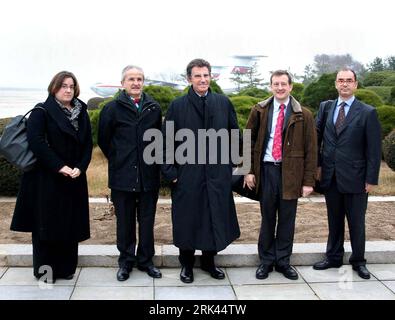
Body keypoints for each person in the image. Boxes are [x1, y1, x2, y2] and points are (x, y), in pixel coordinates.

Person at [162, 58, 240, 283]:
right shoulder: (177, 106)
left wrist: (231, 169)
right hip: (187, 174)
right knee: (188, 219)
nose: (203, 79)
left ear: (211, 77)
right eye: (198, 75)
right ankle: (186, 265)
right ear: (189, 79)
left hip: (217, 174)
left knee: (213, 217)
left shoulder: (223, 103)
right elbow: (165, 141)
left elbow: (234, 136)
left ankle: (209, 262)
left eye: (206, 75)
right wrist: (171, 173)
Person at [11, 71, 92, 283]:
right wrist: (60, 167)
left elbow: (87, 144)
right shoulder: (42, 110)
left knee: (70, 225)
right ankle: (46, 272)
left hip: (74, 178)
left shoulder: (81, 110)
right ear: (54, 88)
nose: (67, 90)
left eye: (71, 86)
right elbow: (36, 142)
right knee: (45, 228)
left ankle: (66, 269)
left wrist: (81, 167)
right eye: (63, 86)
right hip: (47, 178)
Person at [244, 70, 317, 280]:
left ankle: (283, 262)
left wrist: (308, 181)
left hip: (291, 175)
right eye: (276, 84)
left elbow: (312, 150)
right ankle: (266, 261)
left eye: (283, 84)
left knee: (287, 219)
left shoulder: (304, 114)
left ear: (290, 86)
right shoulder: (259, 110)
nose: (280, 88)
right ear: (271, 86)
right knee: (267, 218)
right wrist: (248, 170)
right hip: (266, 171)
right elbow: (247, 140)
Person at [313, 68, 381, 279]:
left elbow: (374, 149)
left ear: (355, 84)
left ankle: (358, 261)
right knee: (334, 221)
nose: (344, 84)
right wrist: (317, 166)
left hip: (357, 178)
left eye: (348, 81)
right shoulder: (326, 108)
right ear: (335, 84)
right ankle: (333, 257)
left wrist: (371, 178)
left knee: (356, 222)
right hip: (331, 176)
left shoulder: (367, 112)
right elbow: (316, 139)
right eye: (340, 81)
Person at [98, 65, 162, 281]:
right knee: (124, 222)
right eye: (131, 79)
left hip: (148, 177)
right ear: (123, 83)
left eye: (140, 79)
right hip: (122, 177)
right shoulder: (112, 108)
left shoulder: (153, 107)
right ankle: (125, 262)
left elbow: (159, 140)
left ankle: (146, 261)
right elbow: (104, 140)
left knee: (147, 222)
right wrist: (119, 159)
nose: (136, 83)